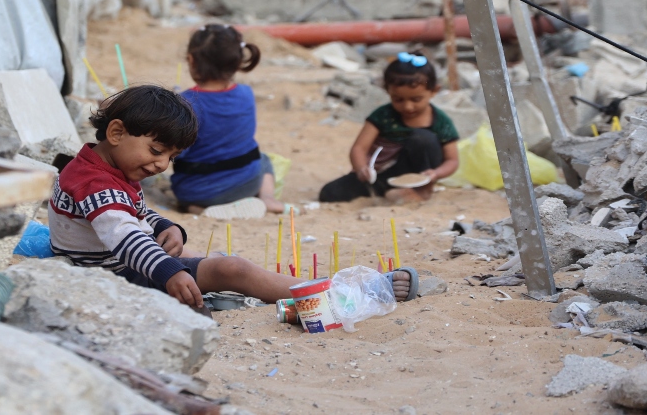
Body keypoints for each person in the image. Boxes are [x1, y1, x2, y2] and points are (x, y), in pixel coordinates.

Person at [49, 85, 419, 308]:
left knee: (206, 258)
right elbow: (125, 236)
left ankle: (311, 287)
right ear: (116, 132)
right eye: (157, 150)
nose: (162, 164)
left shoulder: (103, 169)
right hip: (113, 277)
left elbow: (134, 216)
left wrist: (167, 227)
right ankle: (349, 293)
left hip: (118, 264)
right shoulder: (97, 183)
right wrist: (166, 270)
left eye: (171, 158)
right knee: (233, 269)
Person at [170, 25, 285, 218]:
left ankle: (197, 209)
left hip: (198, 191)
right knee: (263, 159)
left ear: (191, 60)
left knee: (185, 185)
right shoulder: (246, 94)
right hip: (247, 183)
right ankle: (266, 197)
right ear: (237, 62)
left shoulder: (186, 102)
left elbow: (177, 151)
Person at [320, 53, 460, 203]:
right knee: (330, 193)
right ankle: (389, 191)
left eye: (416, 99)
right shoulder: (383, 115)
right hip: (383, 174)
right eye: (398, 99)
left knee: (423, 138)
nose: (407, 106)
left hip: (418, 177)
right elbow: (359, 148)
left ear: (434, 91)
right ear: (388, 91)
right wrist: (362, 169)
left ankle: (421, 192)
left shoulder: (440, 121)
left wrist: (435, 174)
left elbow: (452, 160)